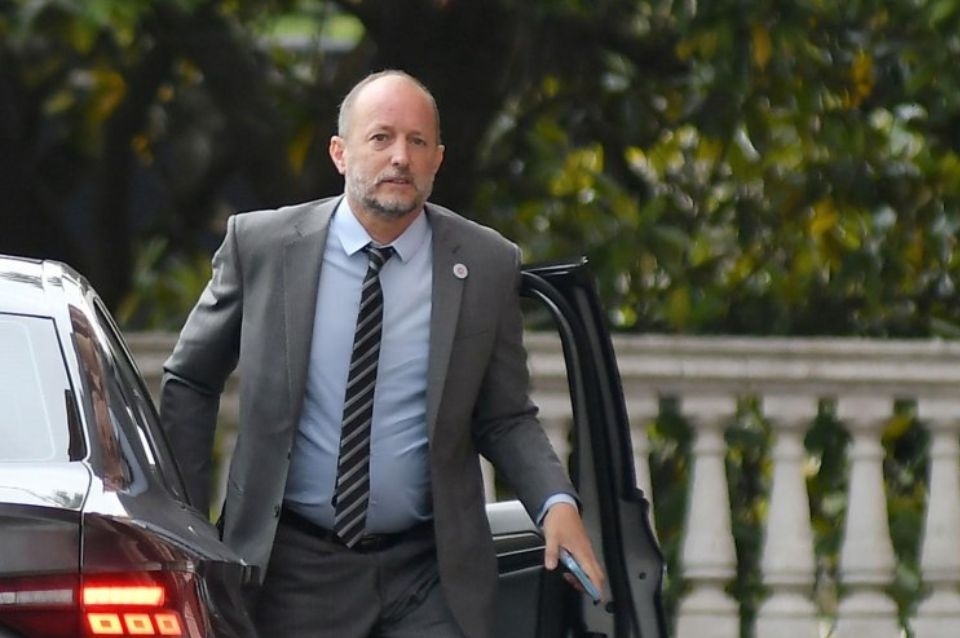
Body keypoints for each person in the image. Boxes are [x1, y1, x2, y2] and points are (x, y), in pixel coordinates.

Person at [159, 69, 605, 638]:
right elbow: (190, 380)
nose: (400, 157)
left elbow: (505, 415)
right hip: (295, 568)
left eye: (418, 142)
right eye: (381, 138)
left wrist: (556, 503)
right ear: (339, 152)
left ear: (438, 159)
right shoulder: (264, 246)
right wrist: (185, 524)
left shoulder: (485, 263)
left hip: (429, 572)